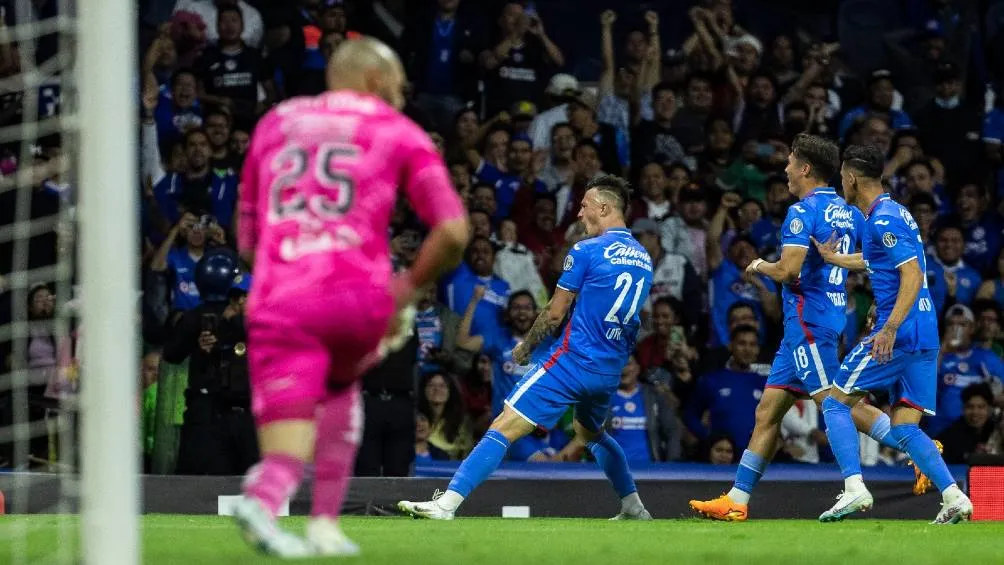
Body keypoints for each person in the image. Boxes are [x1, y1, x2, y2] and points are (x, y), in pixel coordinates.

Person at [232, 37, 470, 557]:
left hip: (280, 297)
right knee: (342, 392)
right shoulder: (396, 130)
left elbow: (247, 237)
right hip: (354, 294)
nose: (403, 98)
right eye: (400, 86)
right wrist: (405, 291)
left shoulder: (275, 123)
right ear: (375, 81)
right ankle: (321, 524)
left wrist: (282, 268)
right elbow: (453, 230)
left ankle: (271, 498)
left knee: (292, 421)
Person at [398, 175, 655, 520]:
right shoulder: (643, 258)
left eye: (584, 205)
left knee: (503, 425)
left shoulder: (586, 250)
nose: (579, 214)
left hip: (572, 362)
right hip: (609, 369)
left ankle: (446, 505)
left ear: (604, 207)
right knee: (590, 433)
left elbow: (554, 313)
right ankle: (633, 506)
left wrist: (527, 348)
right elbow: (633, 321)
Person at [690, 134, 900, 521]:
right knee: (768, 412)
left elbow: (788, 270)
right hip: (815, 322)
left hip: (808, 321)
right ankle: (737, 499)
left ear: (804, 168)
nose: (785, 168)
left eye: (789, 161)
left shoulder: (801, 212)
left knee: (835, 402)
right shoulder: (848, 210)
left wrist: (758, 266)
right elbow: (873, 258)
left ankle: (914, 449)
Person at [812, 144, 972, 524]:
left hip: (898, 334)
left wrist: (889, 327)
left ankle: (854, 488)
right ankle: (954, 496)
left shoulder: (882, 219)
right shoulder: (891, 213)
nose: (840, 185)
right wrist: (835, 259)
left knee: (835, 402)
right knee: (904, 426)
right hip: (924, 336)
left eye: (841, 179)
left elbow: (913, 274)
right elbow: (876, 260)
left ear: (851, 178)